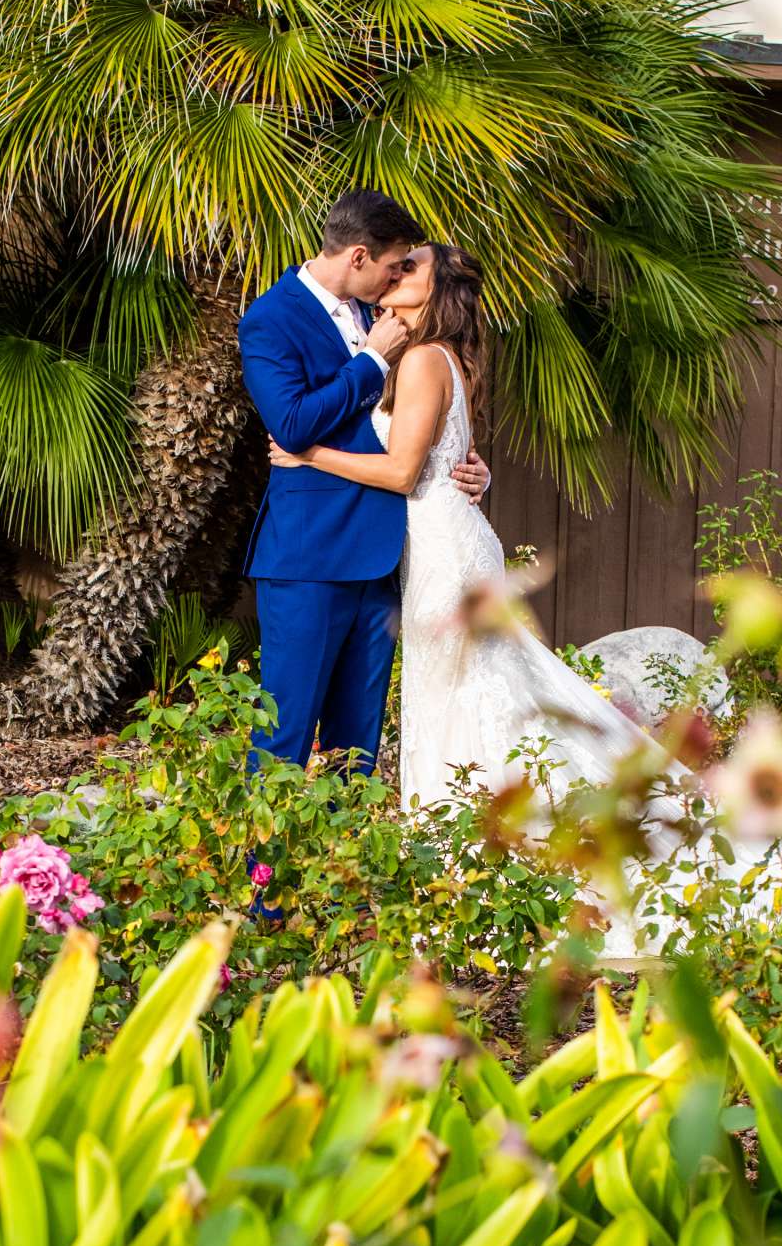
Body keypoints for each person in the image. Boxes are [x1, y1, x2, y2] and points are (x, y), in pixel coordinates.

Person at [267, 241, 662, 811]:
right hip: (447, 540)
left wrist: (306, 454)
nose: (397, 270)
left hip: (444, 552)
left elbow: (405, 471)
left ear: (439, 289)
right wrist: (481, 476)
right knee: (473, 691)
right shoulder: (433, 355)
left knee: (459, 695)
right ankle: (486, 819)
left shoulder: (426, 358)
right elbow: (452, 455)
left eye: (412, 266)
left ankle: (474, 830)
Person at [238, 191, 489, 776]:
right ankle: (253, 869)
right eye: (394, 264)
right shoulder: (270, 319)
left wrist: (468, 472)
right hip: (309, 558)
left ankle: (344, 866)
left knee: (357, 747)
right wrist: (371, 361)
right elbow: (293, 425)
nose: (399, 275)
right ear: (357, 257)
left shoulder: (390, 321)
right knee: (285, 731)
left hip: (384, 559)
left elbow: (422, 428)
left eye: (408, 267)